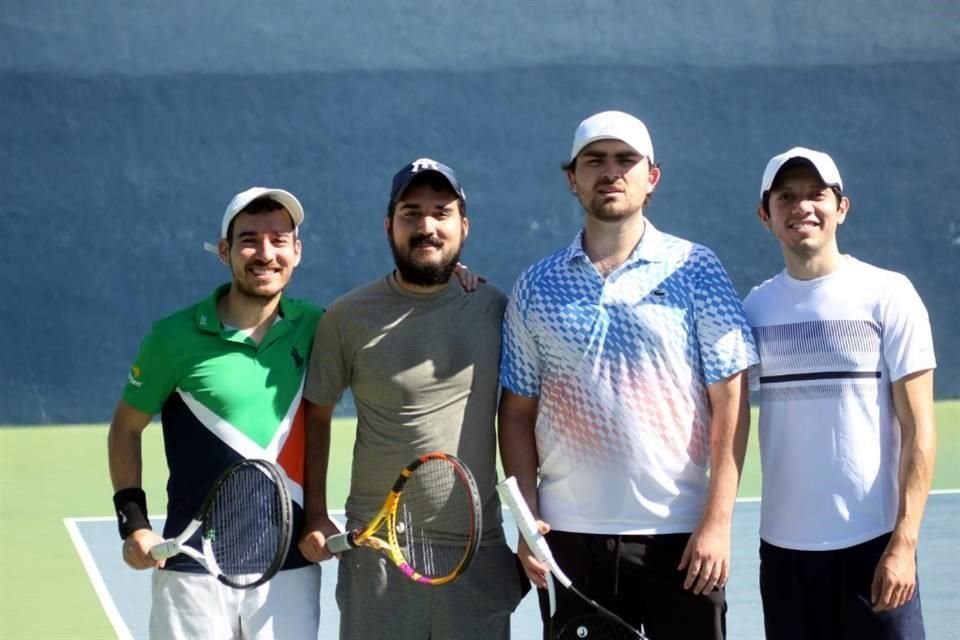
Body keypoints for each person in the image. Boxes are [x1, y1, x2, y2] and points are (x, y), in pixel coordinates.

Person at [498, 111, 758, 639]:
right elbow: (517, 410)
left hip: (682, 538)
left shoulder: (696, 269)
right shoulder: (535, 286)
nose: (610, 172)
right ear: (572, 178)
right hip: (570, 540)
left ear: (651, 177)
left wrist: (717, 523)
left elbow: (731, 400)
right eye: (595, 161)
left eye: (625, 160)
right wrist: (528, 524)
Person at [297, 158, 526, 640]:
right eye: (411, 213)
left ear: (463, 226)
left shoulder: (496, 310)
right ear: (388, 226)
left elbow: (524, 413)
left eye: (441, 213)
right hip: (377, 555)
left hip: (475, 553)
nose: (426, 226)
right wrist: (315, 512)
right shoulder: (347, 317)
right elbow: (315, 414)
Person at [107, 187, 323, 639]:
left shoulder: (320, 327)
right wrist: (134, 525)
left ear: (297, 251)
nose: (265, 253)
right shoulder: (172, 338)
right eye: (249, 240)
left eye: (279, 240)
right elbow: (126, 429)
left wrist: (451, 278)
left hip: (289, 566)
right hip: (192, 568)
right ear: (225, 251)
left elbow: (398, 316)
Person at [743, 147, 937, 640]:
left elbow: (919, 430)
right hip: (784, 557)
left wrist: (903, 544)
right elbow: (721, 417)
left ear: (841, 208)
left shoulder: (888, 294)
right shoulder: (753, 309)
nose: (802, 207)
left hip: (875, 550)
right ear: (765, 215)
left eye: (816, 195)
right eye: (786, 197)